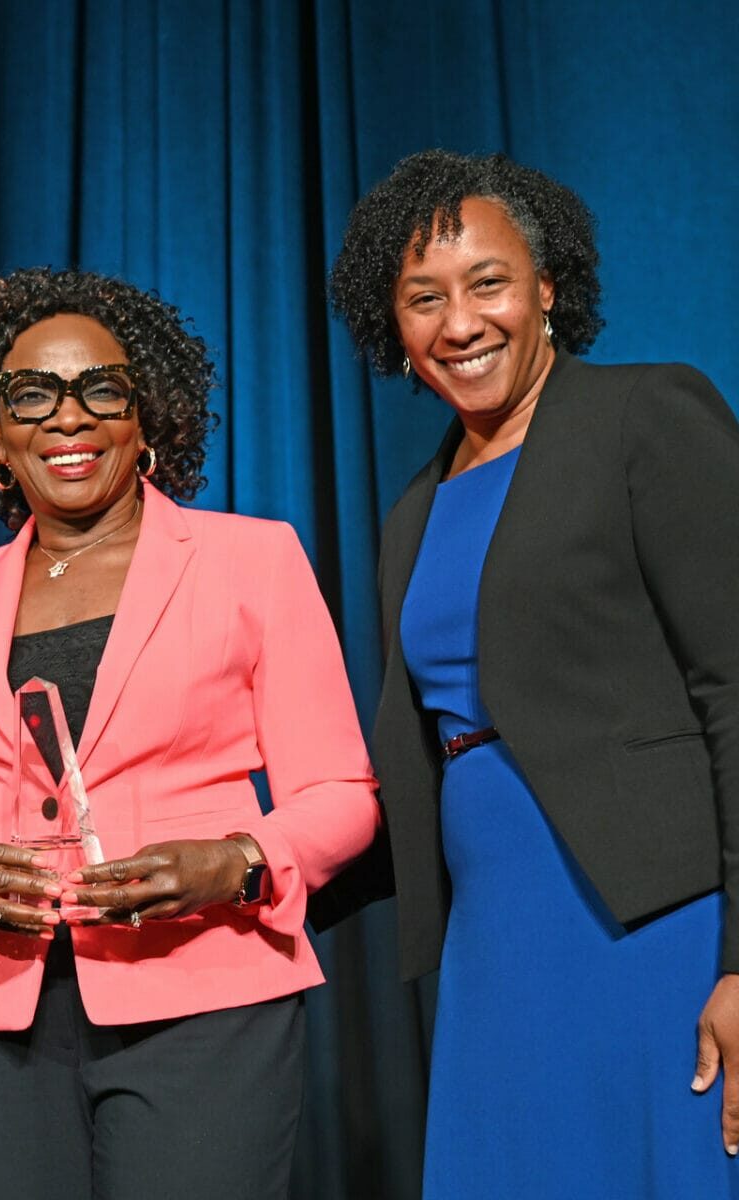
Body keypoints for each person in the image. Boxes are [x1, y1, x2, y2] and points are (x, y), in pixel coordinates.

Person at [0, 266, 379, 1200]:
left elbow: (342, 797)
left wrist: (237, 859)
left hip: (203, 1002)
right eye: (33, 396)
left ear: (149, 420)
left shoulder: (252, 560)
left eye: (102, 388)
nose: (70, 418)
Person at [323, 148, 739, 1197]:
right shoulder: (414, 509)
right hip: (496, 938)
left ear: (548, 288)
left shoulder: (647, 416)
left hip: (660, 922)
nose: (459, 324)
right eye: (424, 299)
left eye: (488, 284)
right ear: (394, 327)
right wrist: (250, 870)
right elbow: (420, 755)